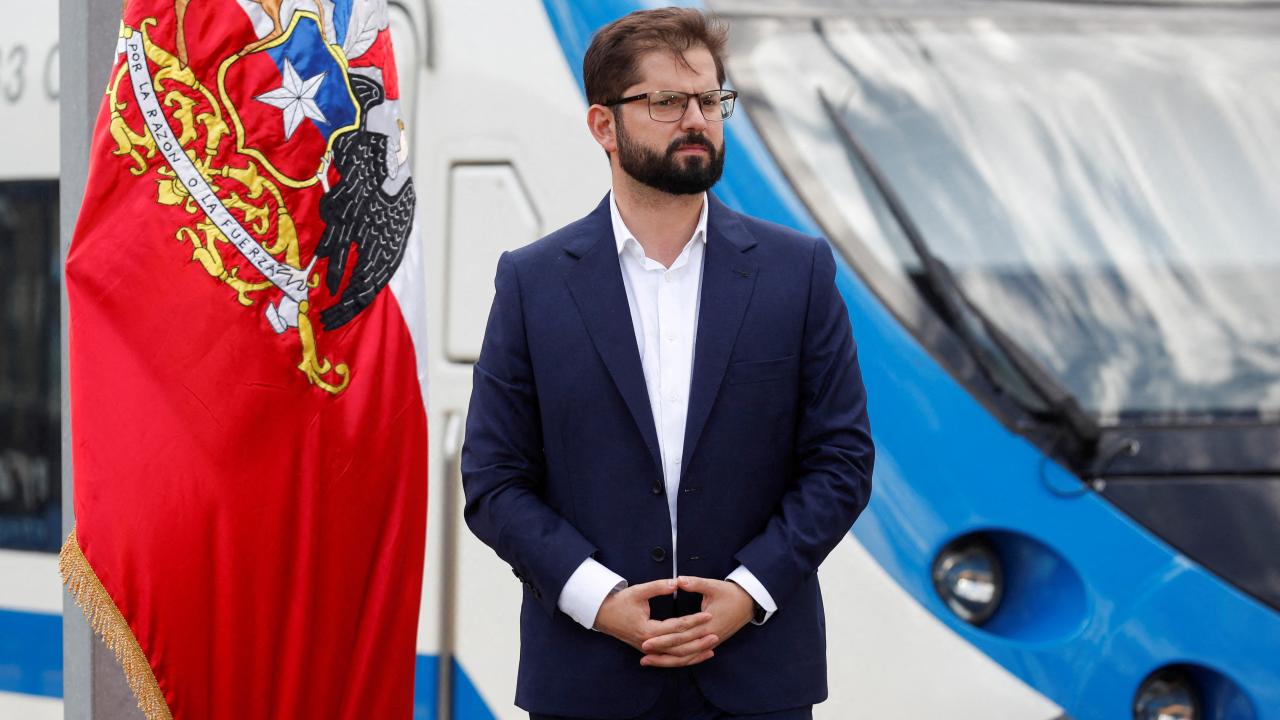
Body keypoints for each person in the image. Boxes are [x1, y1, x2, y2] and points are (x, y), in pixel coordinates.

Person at [461, 7, 874, 719]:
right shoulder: (532, 283)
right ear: (603, 127)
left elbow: (840, 460)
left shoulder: (796, 271)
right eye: (666, 101)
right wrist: (600, 600)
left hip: (756, 680)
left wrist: (749, 592)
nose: (697, 119)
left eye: (711, 100)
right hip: (589, 677)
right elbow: (494, 481)